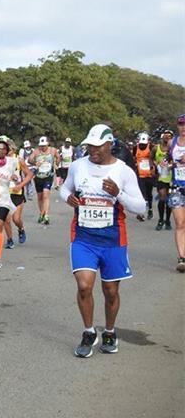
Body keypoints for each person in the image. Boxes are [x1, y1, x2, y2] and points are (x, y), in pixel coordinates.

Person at [60, 124, 145, 357]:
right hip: (83, 238)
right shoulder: (78, 166)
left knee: (110, 291)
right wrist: (68, 198)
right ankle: (89, 332)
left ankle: (109, 331)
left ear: (110, 144)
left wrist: (118, 193)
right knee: (84, 286)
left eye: (98, 146)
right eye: (90, 146)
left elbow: (140, 207)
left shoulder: (123, 171)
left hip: (113, 240)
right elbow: (64, 189)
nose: (93, 150)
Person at [0, 136, 31, 269]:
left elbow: (27, 174)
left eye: (3, 148)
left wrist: (19, 183)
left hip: (4, 198)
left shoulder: (14, 161)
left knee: (0, 224)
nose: (0, 150)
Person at [28, 136, 58, 225]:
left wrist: (56, 163)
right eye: (41, 146)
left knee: (45, 195)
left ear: (48, 144)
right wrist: (34, 162)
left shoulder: (53, 150)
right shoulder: (36, 151)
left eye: (44, 146)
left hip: (48, 176)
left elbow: (58, 157)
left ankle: (46, 215)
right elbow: (29, 160)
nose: (43, 147)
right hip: (38, 176)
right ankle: (42, 213)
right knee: (40, 197)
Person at [169, 115, 185, 272]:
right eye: (181, 124)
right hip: (177, 187)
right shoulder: (172, 142)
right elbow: (166, 160)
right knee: (180, 223)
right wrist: (167, 164)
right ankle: (182, 258)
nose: (183, 128)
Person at [154, 129, 174, 231]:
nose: (167, 137)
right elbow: (151, 158)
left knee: (169, 200)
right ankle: (161, 220)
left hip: (172, 178)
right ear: (163, 137)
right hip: (161, 177)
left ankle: (168, 220)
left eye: (169, 136)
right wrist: (154, 166)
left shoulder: (175, 149)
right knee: (162, 198)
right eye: (165, 136)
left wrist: (173, 165)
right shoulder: (156, 148)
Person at [132, 132, 155, 221]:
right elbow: (133, 158)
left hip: (149, 175)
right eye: (141, 144)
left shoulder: (151, 147)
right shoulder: (135, 148)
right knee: (142, 194)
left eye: (144, 144)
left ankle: (150, 209)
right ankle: (141, 213)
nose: (142, 145)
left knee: (149, 194)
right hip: (140, 175)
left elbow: (154, 158)